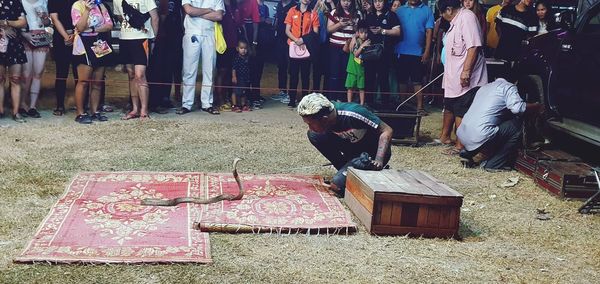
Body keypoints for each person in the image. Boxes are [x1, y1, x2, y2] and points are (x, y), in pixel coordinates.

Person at [297, 93, 393, 195]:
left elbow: (387, 130)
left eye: (310, 124)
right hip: (352, 152)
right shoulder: (327, 118)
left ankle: (361, 171)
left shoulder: (354, 113)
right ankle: (345, 169)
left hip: (370, 154)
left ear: (324, 119)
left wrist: (379, 160)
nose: (310, 127)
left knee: (337, 187)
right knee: (314, 135)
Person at [457, 78, 543, 170]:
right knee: (517, 126)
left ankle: (467, 153)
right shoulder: (508, 87)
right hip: (480, 134)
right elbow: (518, 109)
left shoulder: (484, 87)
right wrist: (536, 106)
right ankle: (493, 165)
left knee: (486, 125)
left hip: (462, 134)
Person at [438, 0, 487, 154]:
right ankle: (445, 137)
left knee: (461, 110)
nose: (441, 16)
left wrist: (466, 71)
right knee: (450, 106)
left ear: (448, 9)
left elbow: (473, 47)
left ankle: (460, 145)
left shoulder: (467, 17)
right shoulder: (455, 21)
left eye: (441, 13)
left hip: (466, 77)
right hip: (453, 75)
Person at [113, 0, 159, 120]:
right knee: (131, 74)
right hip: (125, 38)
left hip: (141, 38)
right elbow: (119, 16)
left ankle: (144, 109)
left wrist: (154, 38)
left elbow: (155, 17)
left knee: (140, 75)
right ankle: (134, 109)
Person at [177, 0, 224, 115]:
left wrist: (196, 13)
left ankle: (207, 103)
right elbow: (188, 10)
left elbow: (218, 16)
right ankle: (187, 104)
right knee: (189, 70)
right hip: (192, 33)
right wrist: (208, 10)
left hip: (209, 34)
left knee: (210, 70)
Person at [71, 0, 114, 124]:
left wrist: (93, 29)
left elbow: (109, 25)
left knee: (97, 81)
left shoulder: (100, 5)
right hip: (83, 44)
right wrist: (88, 10)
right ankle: (80, 112)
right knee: (83, 81)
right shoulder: (77, 5)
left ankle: (95, 111)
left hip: (99, 43)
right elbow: (79, 27)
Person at [395, 0, 434, 116]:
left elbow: (429, 32)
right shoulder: (399, 10)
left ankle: (420, 107)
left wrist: (427, 51)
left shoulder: (427, 10)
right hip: (400, 51)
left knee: (418, 81)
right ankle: (402, 105)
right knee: (402, 80)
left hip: (418, 53)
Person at [148, 0, 184, 113]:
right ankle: (155, 101)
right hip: (158, 37)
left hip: (173, 37)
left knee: (169, 68)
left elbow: (181, 15)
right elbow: (161, 15)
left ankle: (165, 98)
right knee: (156, 70)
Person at [364, 0, 401, 107]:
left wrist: (383, 31)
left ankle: (385, 104)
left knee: (383, 78)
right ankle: (368, 103)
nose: (377, 4)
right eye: (375, 1)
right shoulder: (369, 15)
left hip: (385, 52)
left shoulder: (391, 15)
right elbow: (362, 30)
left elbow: (398, 31)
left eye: (380, 1)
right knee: (369, 79)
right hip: (370, 51)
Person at [285, 0, 319, 108]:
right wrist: (296, 40)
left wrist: (303, 39)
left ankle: (304, 100)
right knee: (293, 74)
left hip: (306, 47)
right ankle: (292, 99)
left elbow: (316, 31)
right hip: (293, 46)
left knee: (305, 75)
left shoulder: (313, 13)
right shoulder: (292, 10)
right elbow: (287, 30)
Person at [20, 0, 50, 119]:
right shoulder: (21, 1)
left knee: (38, 72)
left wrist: (44, 17)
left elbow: (47, 23)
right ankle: (22, 103)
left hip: (41, 34)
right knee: (26, 73)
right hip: (25, 35)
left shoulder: (44, 1)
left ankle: (32, 106)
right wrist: (24, 35)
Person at [0, 0, 28, 122]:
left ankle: (16, 112)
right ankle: (0, 111)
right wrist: (3, 30)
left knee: (16, 79)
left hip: (14, 44)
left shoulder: (16, 2)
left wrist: (6, 23)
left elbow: (23, 22)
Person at [327, 0, 360, 101]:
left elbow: (360, 32)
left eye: (349, 1)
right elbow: (329, 29)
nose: (346, 3)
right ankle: (332, 98)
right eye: (344, 0)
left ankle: (342, 98)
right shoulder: (334, 12)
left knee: (346, 73)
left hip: (349, 48)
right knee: (334, 73)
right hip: (334, 47)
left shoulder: (357, 13)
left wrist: (353, 25)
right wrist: (340, 24)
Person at [49, 0, 78, 117]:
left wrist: (75, 35)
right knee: (61, 73)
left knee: (79, 73)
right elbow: (55, 19)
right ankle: (60, 105)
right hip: (60, 37)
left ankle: (81, 103)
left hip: (78, 35)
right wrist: (66, 37)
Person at [213, 0, 242, 112]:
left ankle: (229, 98)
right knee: (222, 71)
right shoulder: (219, 4)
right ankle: (219, 99)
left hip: (233, 44)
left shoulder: (234, 5)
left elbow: (239, 24)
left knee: (230, 72)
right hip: (222, 43)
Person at [495, 0, 537, 64]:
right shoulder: (506, 9)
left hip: (516, 57)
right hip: (500, 52)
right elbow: (497, 27)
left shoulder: (532, 18)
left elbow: (530, 38)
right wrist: (503, 39)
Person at [272, 0, 295, 103]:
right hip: (280, 40)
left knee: (292, 67)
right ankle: (282, 91)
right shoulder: (279, 5)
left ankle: (291, 94)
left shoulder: (295, 5)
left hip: (291, 41)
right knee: (281, 66)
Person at [344, 21, 369, 105]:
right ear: (358, 33)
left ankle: (361, 104)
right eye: (362, 33)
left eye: (366, 33)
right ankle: (349, 103)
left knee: (361, 88)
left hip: (361, 69)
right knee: (350, 87)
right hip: (352, 69)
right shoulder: (356, 42)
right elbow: (355, 54)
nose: (364, 35)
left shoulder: (367, 42)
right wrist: (362, 46)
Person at [231, 39, 251, 112]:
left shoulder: (247, 58)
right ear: (237, 48)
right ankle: (234, 105)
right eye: (241, 48)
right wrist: (234, 76)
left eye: (245, 48)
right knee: (235, 92)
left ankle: (243, 105)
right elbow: (234, 68)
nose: (243, 50)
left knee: (243, 91)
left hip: (245, 78)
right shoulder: (237, 58)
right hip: (238, 78)